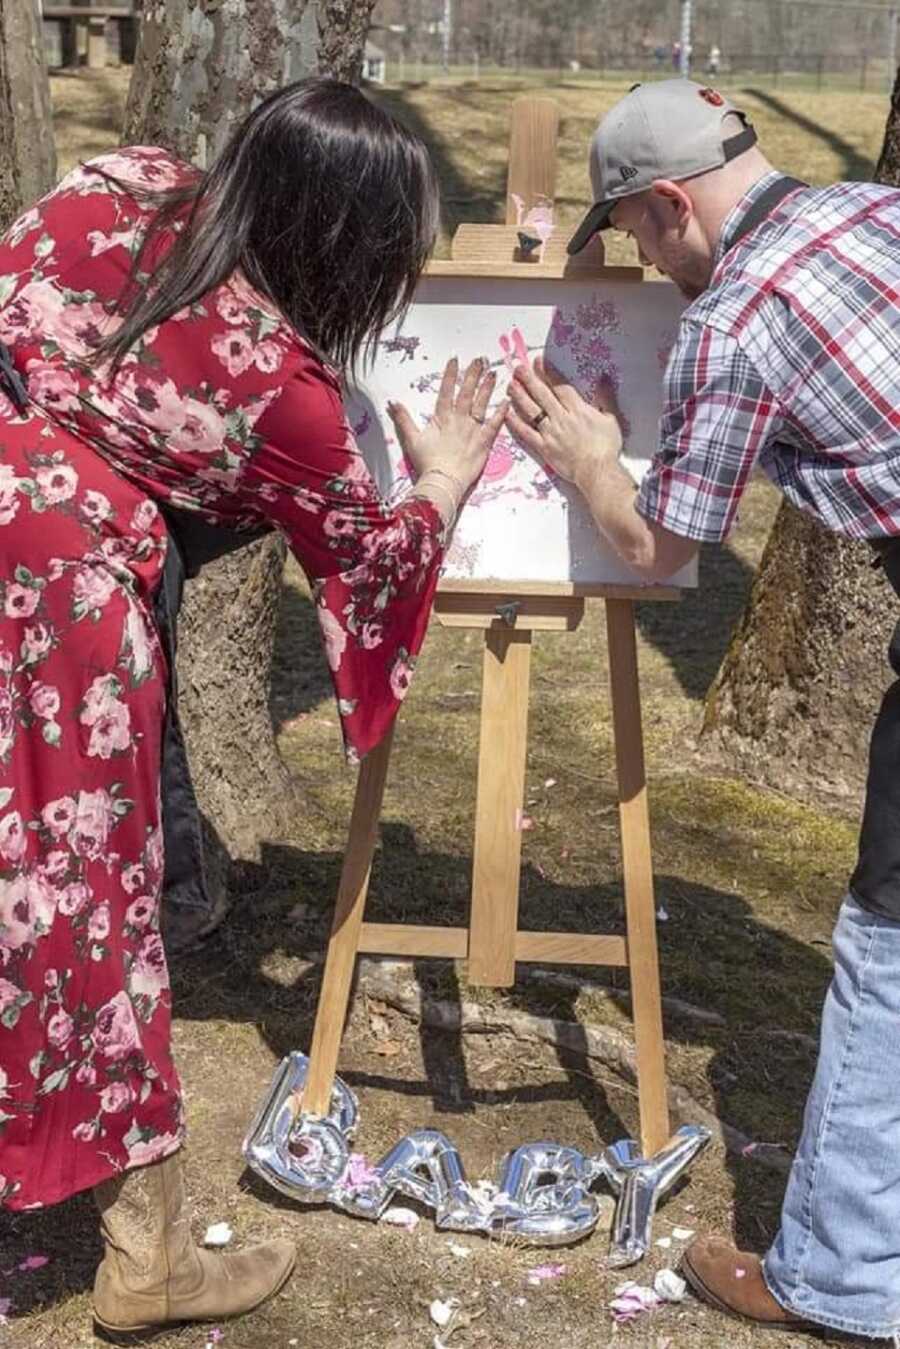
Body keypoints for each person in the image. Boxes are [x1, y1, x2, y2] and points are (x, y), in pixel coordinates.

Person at [0, 77, 503, 1337]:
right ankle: (145, 1256)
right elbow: (373, 568)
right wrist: (441, 476)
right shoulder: (282, 391)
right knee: (80, 911)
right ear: (352, 241)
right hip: (51, 610)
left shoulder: (113, 184)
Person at [508, 78, 900, 1342]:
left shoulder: (735, 320)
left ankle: (841, 1276)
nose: (639, 263)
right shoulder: (871, 211)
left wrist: (588, 464)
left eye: (633, 235)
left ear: (676, 201)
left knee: (889, 954)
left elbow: (663, 548)